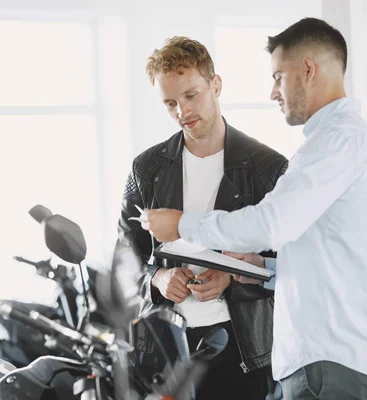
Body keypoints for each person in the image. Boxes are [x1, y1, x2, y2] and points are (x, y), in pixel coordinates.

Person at [142, 18, 367, 400]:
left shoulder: (334, 144)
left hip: (328, 367)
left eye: (278, 77)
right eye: (170, 103)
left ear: (308, 70)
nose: (272, 92)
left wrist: (181, 225)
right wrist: (262, 270)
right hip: (333, 363)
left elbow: (271, 225)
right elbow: (331, 255)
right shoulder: (351, 142)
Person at [115, 36, 288, 399]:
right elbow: (124, 263)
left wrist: (232, 277)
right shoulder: (146, 169)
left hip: (243, 350)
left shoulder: (267, 168)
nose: (182, 111)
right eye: (170, 103)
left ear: (216, 84)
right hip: (166, 349)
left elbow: (292, 261)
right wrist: (158, 278)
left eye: (190, 96)